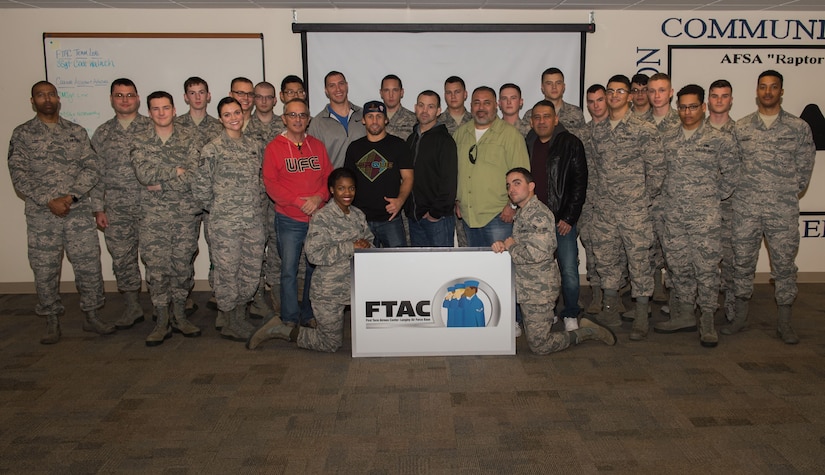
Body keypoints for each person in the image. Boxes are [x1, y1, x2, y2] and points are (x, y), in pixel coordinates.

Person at [8, 80, 114, 344]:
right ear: (33, 101)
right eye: (41, 95)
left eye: (51, 94)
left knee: (88, 265)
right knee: (45, 269)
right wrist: (49, 200)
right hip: (42, 215)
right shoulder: (22, 134)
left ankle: (92, 315)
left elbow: (92, 168)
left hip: (77, 211)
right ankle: (51, 319)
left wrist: (71, 196)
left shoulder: (76, 132)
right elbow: (18, 175)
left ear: (58, 99)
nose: (47, 99)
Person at [726, 70, 815, 344]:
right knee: (742, 264)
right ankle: (740, 317)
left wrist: (781, 192)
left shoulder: (798, 128)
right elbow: (732, 168)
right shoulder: (740, 128)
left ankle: (785, 322)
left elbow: (804, 169)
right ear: (756, 91)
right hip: (746, 210)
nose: (767, 92)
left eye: (773, 87)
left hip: (781, 210)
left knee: (784, 267)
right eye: (763, 87)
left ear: (781, 91)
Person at [247, 167, 373, 352]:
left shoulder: (358, 215)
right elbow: (314, 255)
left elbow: (368, 239)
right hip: (328, 292)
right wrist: (350, 246)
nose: (347, 193)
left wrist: (367, 244)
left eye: (351, 188)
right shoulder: (322, 217)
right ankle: (280, 329)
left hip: (355, 288)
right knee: (330, 344)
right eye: (341, 188)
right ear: (331, 190)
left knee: (372, 336)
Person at [491, 168, 616, 354]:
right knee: (535, 337)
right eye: (509, 185)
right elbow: (525, 244)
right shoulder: (525, 213)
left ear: (531, 186)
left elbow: (537, 254)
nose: (511, 189)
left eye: (517, 183)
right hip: (528, 287)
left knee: (540, 346)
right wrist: (504, 245)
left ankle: (586, 332)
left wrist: (511, 247)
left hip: (539, 289)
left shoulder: (538, 215)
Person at [654, 85, 739, 347]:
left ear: (703, 107)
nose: (687, 111)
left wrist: (710, 197)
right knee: (678, 269)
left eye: (692, 106)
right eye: (682, 107)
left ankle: (707, 321)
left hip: (705, 219)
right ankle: (685, 314)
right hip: (674, 217)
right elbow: (659, 173)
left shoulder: (719, 139)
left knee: (706, 271)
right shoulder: (667, 138)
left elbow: (732, 175)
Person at [588, 74, 665, 341]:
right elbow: (596, 170)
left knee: (640, 263)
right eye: (611, 91)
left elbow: (657, 171)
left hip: (634, 210)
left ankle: (641, 316)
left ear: (630, 96)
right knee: (606, 262)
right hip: (605, 211)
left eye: (621, 91)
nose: (614, 96)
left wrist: (641, 198)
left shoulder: (644, 129)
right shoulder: (598, 130)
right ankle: (610, 311)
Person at [131, 91, 207, 346]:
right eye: (156, 109)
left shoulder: (190, 137)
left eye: (166, 108)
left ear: (175, 110)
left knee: (182, 267)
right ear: (149, 112)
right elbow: (143, 174)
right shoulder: (140, 139)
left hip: (184, 215)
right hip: (153, 218)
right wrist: (176, 171)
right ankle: (161, 319)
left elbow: (194, 174)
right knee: (157, 269)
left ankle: (180, 316)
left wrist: (161, 182)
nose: (161, 113)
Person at [192, 97, 265, 342]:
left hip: (252, 221)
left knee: (250, 271)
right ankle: (230, 319)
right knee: (227, 273)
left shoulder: (254, 146)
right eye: (227, 114)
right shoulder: (212, 149)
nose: (234, 118)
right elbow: (201, 188)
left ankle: (241, 315)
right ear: (221, 118)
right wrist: (221, 209)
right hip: (225, 224)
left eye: (237, 112)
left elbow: (261, 181)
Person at [263, 98, 333, 329]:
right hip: (289, 219)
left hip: (317, 219)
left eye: (302, 115)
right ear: (284, 118)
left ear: (308, 119)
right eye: (292, 115)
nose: (297, 119)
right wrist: (297, 202)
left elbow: (328, 178)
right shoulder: (274, 148)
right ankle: (290, 318)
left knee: (315, 270)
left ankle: (309, 314)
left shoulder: (317, 145)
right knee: (288, 271)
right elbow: (271, 184)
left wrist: (319, 197)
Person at [90, 78, 154, 330]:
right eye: (119, 95)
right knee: (122, 258)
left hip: (151, 206)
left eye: (129, 95)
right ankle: (132, 306)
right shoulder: (103, 133)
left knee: (154, 256)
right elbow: (95, 173)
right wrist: (98, 208)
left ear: (138, 98)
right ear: (111, 99)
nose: (125, 100)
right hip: (116, 208)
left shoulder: (152, 127)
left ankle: (161, 306)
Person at [525, 100, 588, 331]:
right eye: (537, 117)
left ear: (555, 119)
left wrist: (569, 218)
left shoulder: (571, 143)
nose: (541, 121)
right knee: (542, 272)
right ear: (531, 121)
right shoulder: (527, 143)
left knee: (569, 270)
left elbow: (579, 184)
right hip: (535, 224)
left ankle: (570, 312)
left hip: (562, 221)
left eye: (546, 116)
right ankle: (548, 312)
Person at [454, 86, 530, 247]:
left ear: (496, 105)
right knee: (475, 270)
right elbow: (454, 171)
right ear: (471, 106)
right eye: (477, 103)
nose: (481, 108)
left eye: (486, 103)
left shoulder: (511, 135)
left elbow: (522, 175)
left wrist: (512, 205)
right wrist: (457, 200)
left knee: (499, 269)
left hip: (499, 216)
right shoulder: (460, 134)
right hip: (468, 216)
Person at [344, 100, 413, 248]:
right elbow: (347, 183)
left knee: (397, 265)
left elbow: (408, 177)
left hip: (390, 219)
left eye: (379, 116)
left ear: (386, 119)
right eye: (370, 116)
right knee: (365, 268)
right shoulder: (354, 148)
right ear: (363, 120)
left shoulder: (399, 145)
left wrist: (400, 201)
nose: (374, 121)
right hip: (361, 220)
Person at [244, 80, 286, 321]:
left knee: (279, 250)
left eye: (268, 97)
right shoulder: (243, 125)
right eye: (258, 97)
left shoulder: (285, 124)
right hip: (253, 201)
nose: (263, 101)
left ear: (274, 99)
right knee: (255, 250)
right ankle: (257, 297)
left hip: (279, 199)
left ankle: (278, 295)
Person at [405, 90, 458, 248]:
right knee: (421, 270)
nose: (425, 111)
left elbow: (449, 182)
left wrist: (435, 213)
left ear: (438, 111)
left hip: (437, 220)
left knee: (442, 269)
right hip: (415, 219)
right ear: (415, 107)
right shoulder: (411, 139)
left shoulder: (445, 141)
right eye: (421, 105)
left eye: (430, 106)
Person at [705, 79, 737, 322]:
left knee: (730, 259)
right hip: (699, 211)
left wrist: (717, 194)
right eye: (714, 96)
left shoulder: (741, 132)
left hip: (729, 209)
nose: (719, 100)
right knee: (702, 262)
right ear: (707, 101)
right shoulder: (696, 130)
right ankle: (700, 308)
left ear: (731, 100)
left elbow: (737, 172)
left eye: (724, 96)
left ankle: (732, 308)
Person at [580, 84, 611, 315]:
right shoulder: (583, 133)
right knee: (591, 248)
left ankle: (614, 297)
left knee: (613, 253)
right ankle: (597, 294)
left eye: (599, 100)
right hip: (588, 202)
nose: (595, 105)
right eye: (591, 101)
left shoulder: (618, 130)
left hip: (613, 202)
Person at [307, 71, 366, 168]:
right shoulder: (317, 123)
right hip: (334, 181)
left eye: (341, 84)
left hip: (364, 181)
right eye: (332, 86)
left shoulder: (364, 115)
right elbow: (314, 161)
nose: (338, 89)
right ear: (326, 90)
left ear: (347, 86)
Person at [523, 68, 586, 137]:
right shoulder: (531, 114)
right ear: (542, 87)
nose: (554, 87)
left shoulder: (576, 112)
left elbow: (583, 141)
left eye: (558, 83)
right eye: (549, 83)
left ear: (563, 86)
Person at [380, 74, 417, 139]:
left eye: (395, 90)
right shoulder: (373, 119)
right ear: (381, 93)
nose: (391, 95)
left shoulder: (414, 119)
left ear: (401, 92)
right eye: (386, 90)